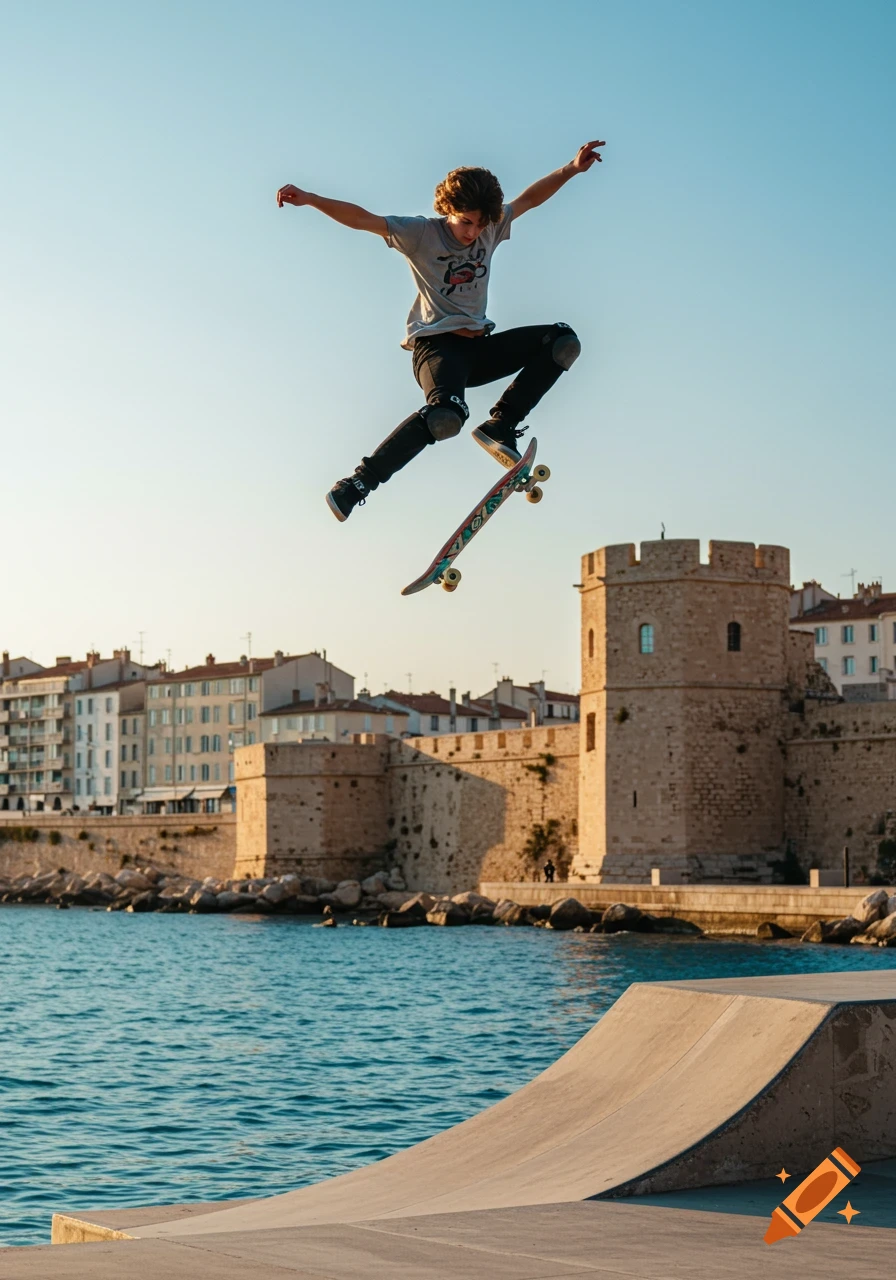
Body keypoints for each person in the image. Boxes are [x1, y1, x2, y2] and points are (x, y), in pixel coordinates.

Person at [276, 140, 605, 520]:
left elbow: (529, 200)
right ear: (448, 210)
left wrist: (571, 168)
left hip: (479, 349)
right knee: (445, 417)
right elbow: (363, 218)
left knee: (563, 341)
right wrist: (311, 198)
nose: (473, 232)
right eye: (466, 221)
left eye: (481, 224)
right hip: (436, 350)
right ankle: (357, 483)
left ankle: (501, 425)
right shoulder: (420, 234)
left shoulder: (490, 227)